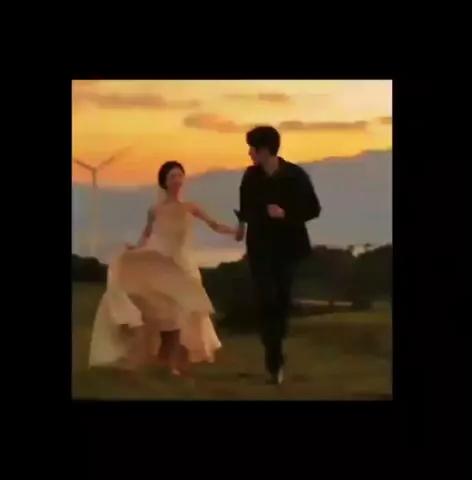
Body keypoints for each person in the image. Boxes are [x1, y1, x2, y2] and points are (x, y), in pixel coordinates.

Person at [88, 161, 238, 378]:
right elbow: (147, 234)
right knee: (166, 315)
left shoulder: (191, 207)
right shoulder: (155, 210)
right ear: (164, 182)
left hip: (183, 266)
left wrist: (234, 231)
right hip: (160, 264)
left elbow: (214, 224)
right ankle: (164, 359)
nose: (177, 180)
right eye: (172, 176)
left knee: (182, 315)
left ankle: (174, 363)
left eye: (180, 176)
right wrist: (136, 249)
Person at [235, 126, 321, 385]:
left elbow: (313, 208)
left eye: (252, 148)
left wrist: (285, 213)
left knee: (281, 304)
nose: (249, 153)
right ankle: (273, 362)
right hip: (260, 249)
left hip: (288, 249)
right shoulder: (250, 176)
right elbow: (245, 209)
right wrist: (246, 222)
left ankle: (277, 352)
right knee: (266, 301)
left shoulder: (295, 175)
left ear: (264, 150)